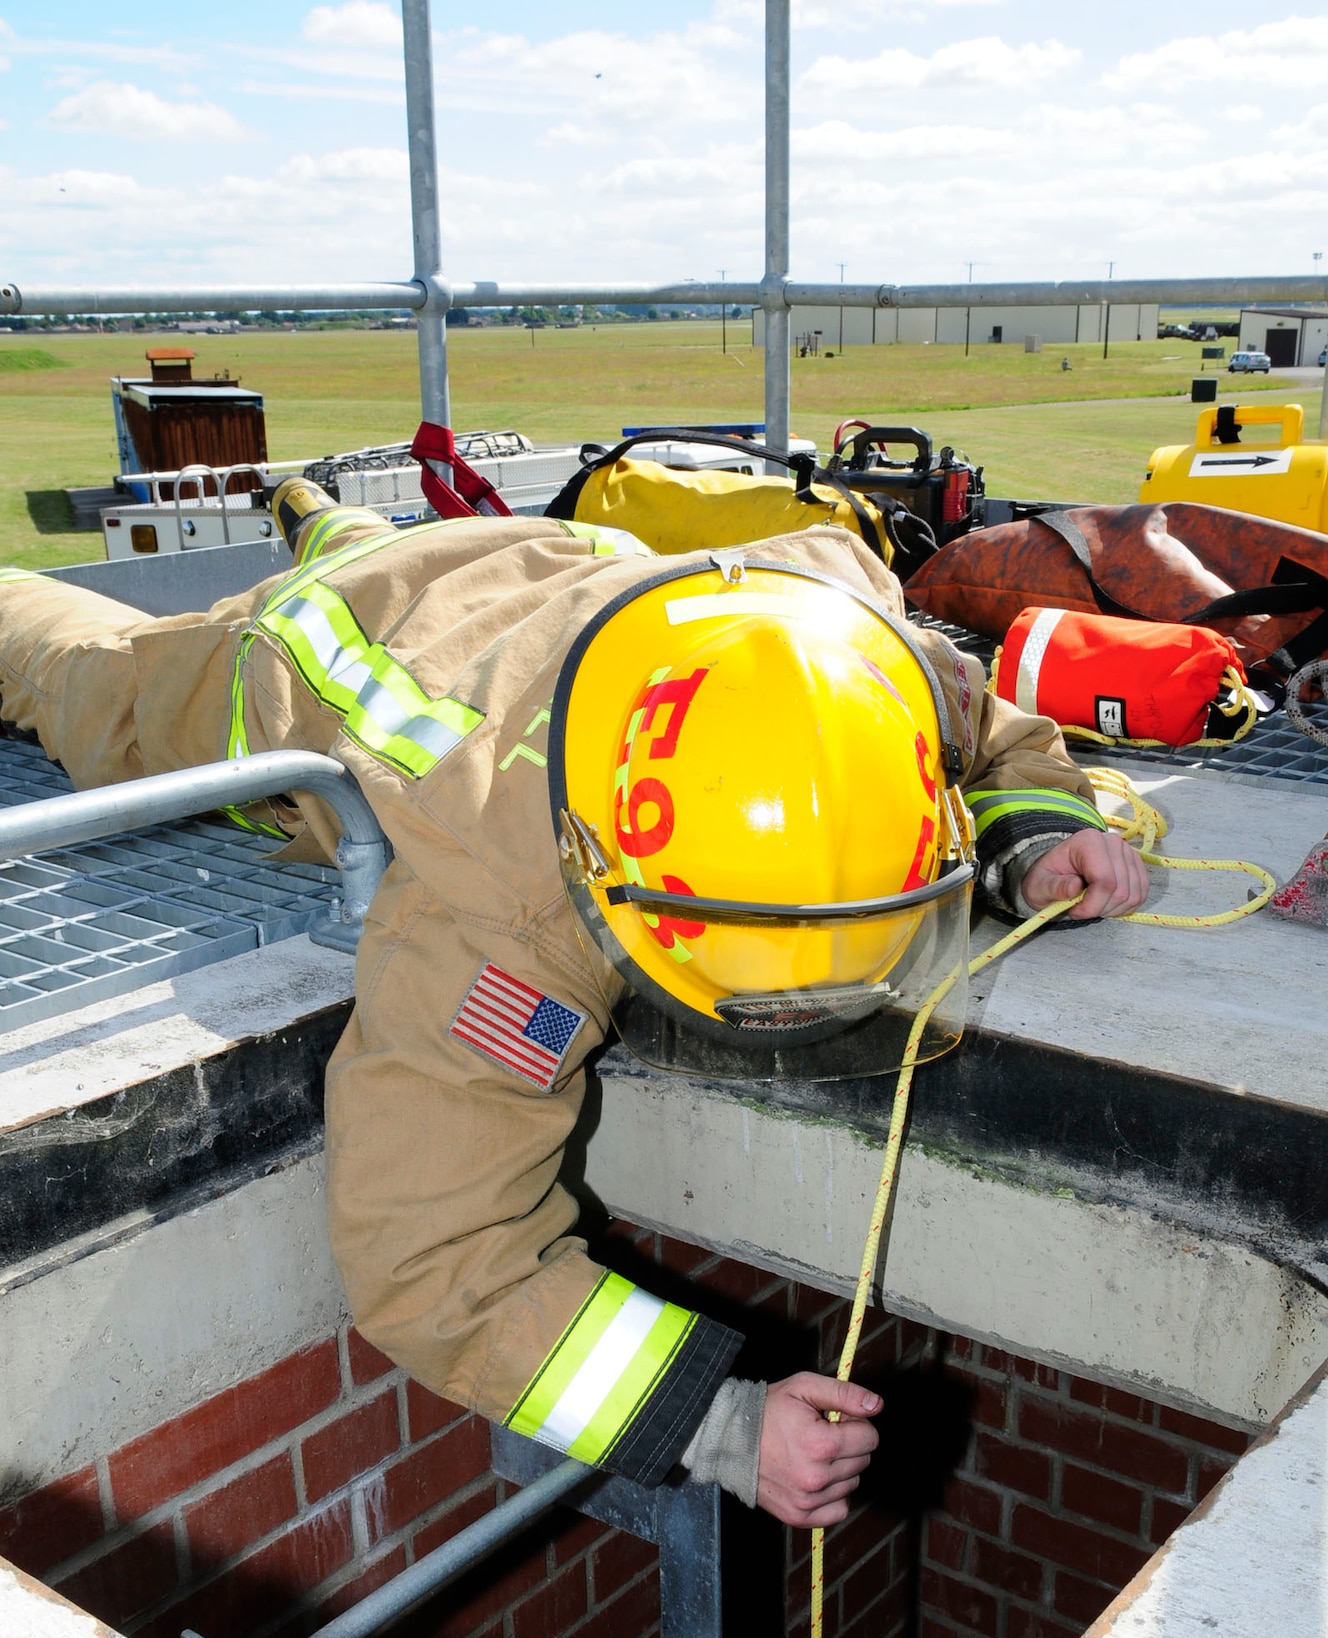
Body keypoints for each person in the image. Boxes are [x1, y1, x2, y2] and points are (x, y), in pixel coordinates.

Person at [0, 484, 1147, 1529]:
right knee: (68, 673)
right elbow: (435, 1257)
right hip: (286, 658)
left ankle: (328, 512)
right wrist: (723, 1425)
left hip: (519, 567)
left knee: (384, 550)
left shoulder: (846, 661)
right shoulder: (508, 905)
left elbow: (990, 733)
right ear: (620, 892)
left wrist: (1030, 832)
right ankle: (318, 535)